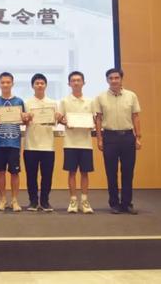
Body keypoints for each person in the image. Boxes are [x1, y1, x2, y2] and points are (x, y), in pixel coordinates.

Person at [94, 68, 142, 214]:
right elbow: (98, 119)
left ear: (121, 79)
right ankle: (114, 203)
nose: (114, 80)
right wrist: (99, 139)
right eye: (111, 78)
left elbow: (136, 117)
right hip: (109, 137)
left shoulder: (131, 96)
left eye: (116, 78)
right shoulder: (100, 97)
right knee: (111, 172)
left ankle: (127, 203)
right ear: (107, 80)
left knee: (128, 172)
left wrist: (138, 137)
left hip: (128, 137)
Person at [58, 71, 95, 214]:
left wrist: (92, 124)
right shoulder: (64, 101)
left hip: (86, 143)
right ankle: (73, 201)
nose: (76, 83)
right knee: (72, 172)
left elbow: (95, 119)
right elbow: (60, 119)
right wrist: (64, 121)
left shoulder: (90, 101)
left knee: (85, 173)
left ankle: (84, 201)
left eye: (79, 80)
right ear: (69, 83)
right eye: (73, 80)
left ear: (84, 83)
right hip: (70, 143)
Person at [24, 73, 60, 212]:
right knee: (31, 176)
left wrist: (58, 117)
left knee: (47, 176)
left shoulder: (53, 103)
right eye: (37, 83)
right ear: (32, 86)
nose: (39, 85)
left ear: (46, 85)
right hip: (30, 145)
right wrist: (26, 118)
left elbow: (55, 122)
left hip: (48, 146)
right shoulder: (27, 103)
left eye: (42, 83)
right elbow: (23, 122)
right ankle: (33, 201)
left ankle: (45, 201)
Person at [0, 72, 25, 212]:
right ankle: (3, 199)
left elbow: (24, 121)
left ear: (12, 83)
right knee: (0, 172)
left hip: (14, 143)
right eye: (3, 82)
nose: (5, 85)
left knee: (14, 173)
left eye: (8, 82)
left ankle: (14, 200)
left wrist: (25, 117)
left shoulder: (19, 102)